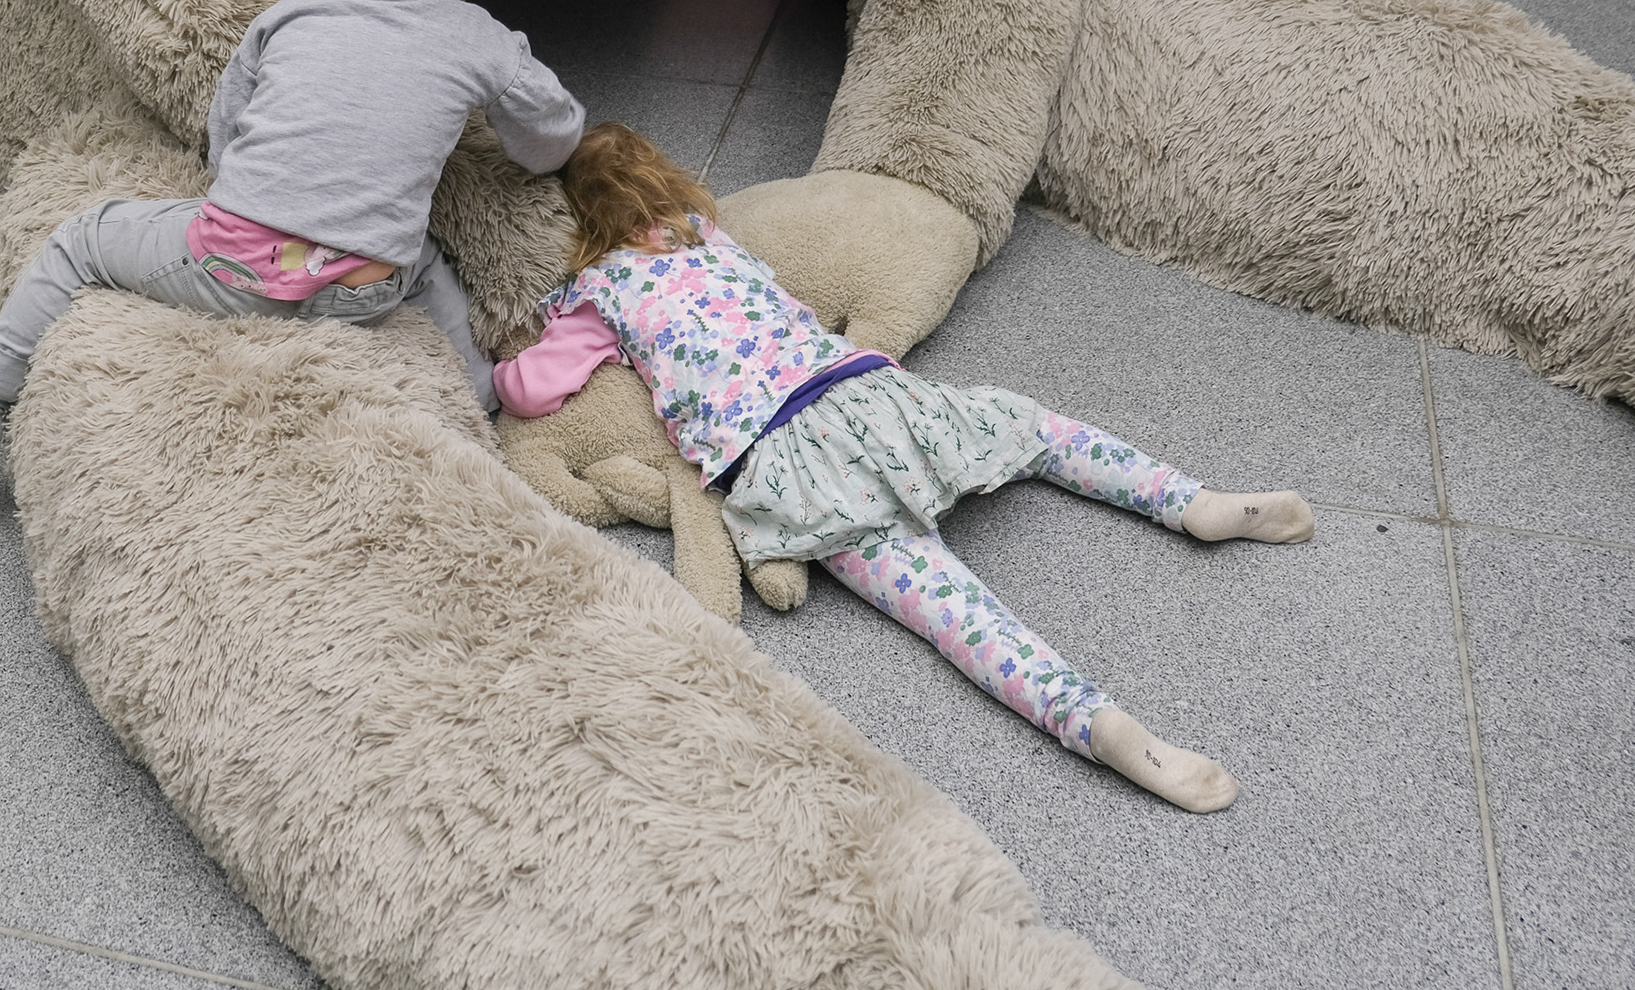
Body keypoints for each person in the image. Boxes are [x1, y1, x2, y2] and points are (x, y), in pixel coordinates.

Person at [495, 123, 1315, 813]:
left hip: (783, 459)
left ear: (581, 220)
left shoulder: (598, 291)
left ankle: (1092, 722)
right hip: (867, 392)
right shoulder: (707, 237)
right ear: (664, 184)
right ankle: (1191, 501)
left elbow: (531, 389)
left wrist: (508, 364)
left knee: (946, 607)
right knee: (1036, 432)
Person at [0, 0, 584, 475]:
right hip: (365, 288)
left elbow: (227, 135)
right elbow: (551, 136)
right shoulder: (482, 41)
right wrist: (556, 152)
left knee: (81, 239)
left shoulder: (289, 17)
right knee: (425, 261)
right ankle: (484, 400)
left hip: (233, 266)